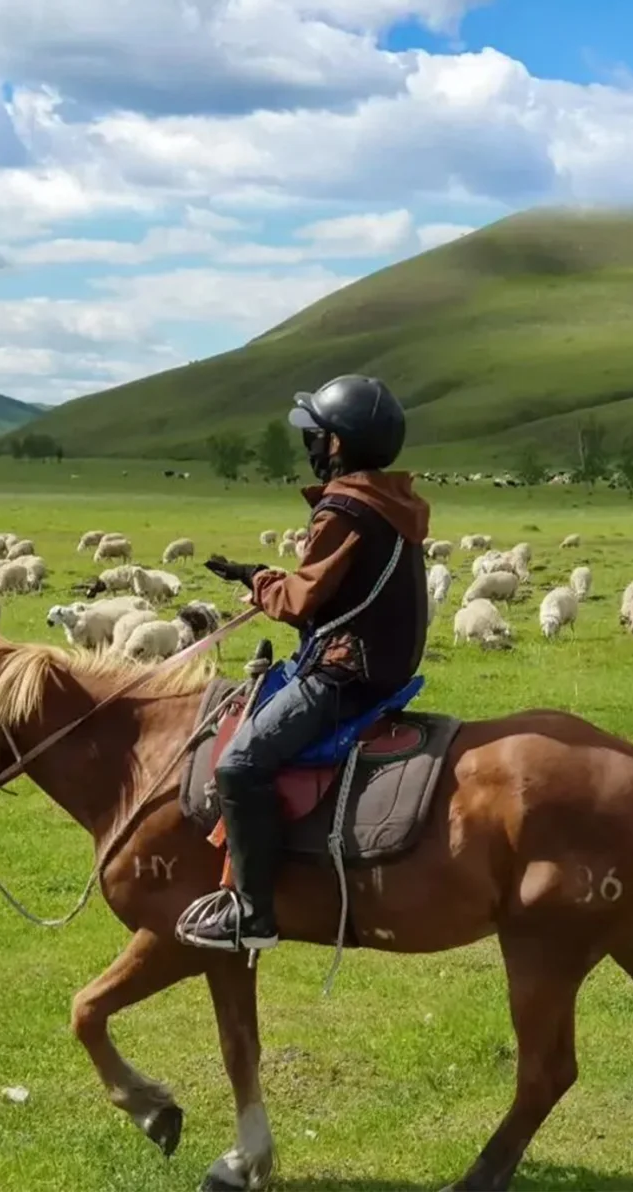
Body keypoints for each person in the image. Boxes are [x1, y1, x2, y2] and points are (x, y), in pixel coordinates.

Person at [177, 374, 430, 954]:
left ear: (338, 444)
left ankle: (254, 913)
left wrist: (258, 579)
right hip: (380, 665)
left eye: (316, 435)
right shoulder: (394, 503)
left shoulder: (345, 507)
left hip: (345, 671)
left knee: (239, 764)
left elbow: (300, 602)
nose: (310, 445)